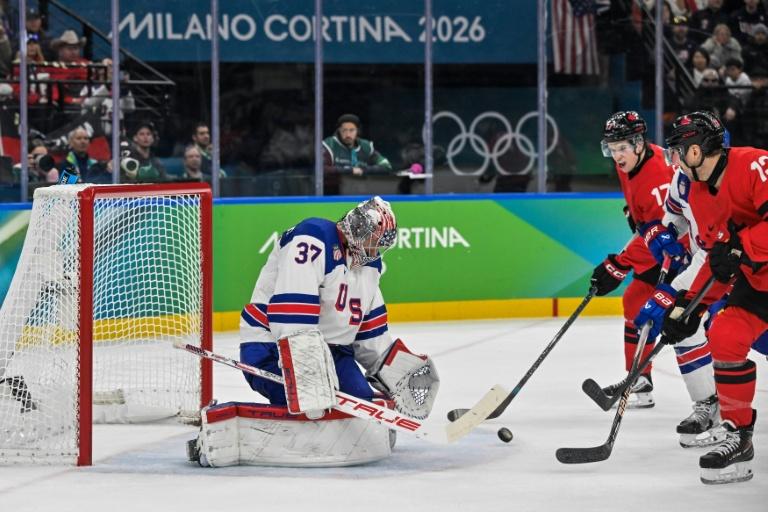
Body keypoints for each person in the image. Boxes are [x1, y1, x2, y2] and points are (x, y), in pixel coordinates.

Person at [188, 197, 439, 467]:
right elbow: (291, 315)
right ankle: (221, 435)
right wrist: (307, 372)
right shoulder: (313, 238)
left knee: (360, 405)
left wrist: (395, 371)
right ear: (358, 229)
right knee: (310, 408)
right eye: (372, 242)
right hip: (272, 345)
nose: (375, 251)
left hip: (333, 353)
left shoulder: (369, 266)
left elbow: (370, 333)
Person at [660, 110, 766, 484]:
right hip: (758, 286)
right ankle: (739, 437)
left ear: (698, 150)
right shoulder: (700, 193)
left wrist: (744, 246)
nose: (674, 160)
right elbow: (719, 258)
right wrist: (689, 306)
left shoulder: (754, 164)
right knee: (723, 336)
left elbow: (739, 246)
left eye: (679, 150)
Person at [590, 111, 682, 408]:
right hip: (658, 246)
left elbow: (665, 233)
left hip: (681, 251)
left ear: (639, 143)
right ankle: (639, 380)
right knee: (634, 302)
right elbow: (644, 215)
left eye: (622, 148)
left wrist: (620, 263)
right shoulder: (629, 162)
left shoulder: (658, 174)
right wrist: (635, 214)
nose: (616, 156)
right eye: (611, 148)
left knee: (690, 324)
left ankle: (711, 394)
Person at [322, 114, 393, 195]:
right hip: (334, 194)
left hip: (364, 192)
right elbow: (322, 169)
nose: (348, 134)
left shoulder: (366, 146)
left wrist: (363, 170)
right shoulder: (329, 144)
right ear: (339, 130)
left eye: (351, 130)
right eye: (344, 130)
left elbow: (386, 166)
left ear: (358, 131)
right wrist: (350, 170)